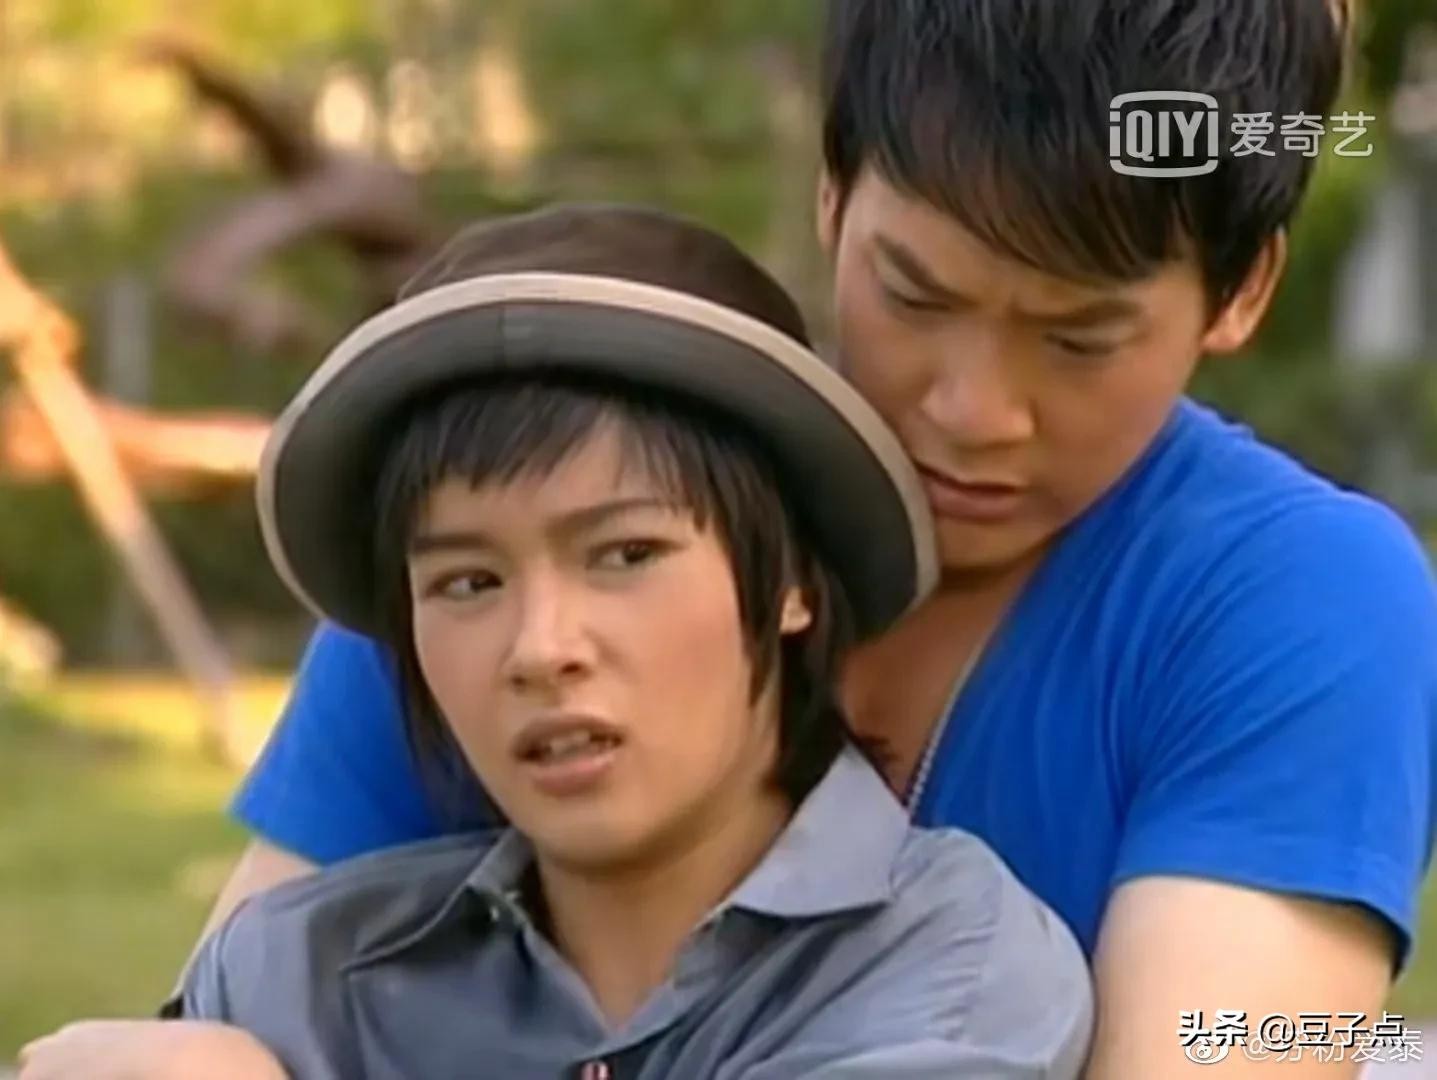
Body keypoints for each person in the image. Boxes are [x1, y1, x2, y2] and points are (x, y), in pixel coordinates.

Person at [21, 0, 1437, 1076]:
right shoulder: (520, 527)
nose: (973, 410)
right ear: (833, 194)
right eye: (915, 293)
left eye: (1078, 339)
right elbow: (229, 1027)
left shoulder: (1304, 608)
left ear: (1240, 292)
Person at [27, 205, 1092, 1080]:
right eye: (469, 583)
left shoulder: (953, 972)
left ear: (790, 585)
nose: (541, 648)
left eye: (625, 555)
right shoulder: (291, 978)